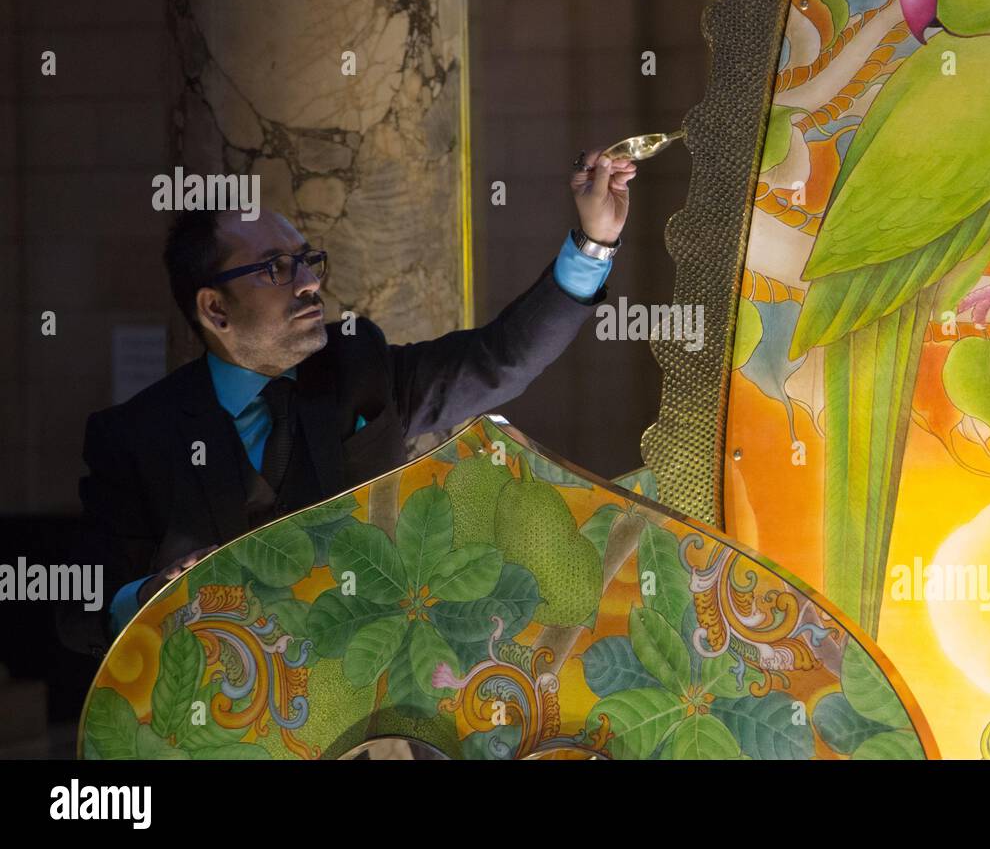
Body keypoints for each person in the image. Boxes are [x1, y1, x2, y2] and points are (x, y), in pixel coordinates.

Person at [61, 149, 636, 657]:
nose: (309, 282)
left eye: (307, 260)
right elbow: (82, 613)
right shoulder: (135, 437)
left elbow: (500, 358)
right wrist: (152, 594)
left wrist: (594, 242)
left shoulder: (358, 365)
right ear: (215, 310)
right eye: (276, 269)